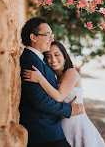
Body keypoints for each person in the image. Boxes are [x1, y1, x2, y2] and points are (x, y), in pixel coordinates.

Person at [23, 41, 105, 147]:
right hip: (63, 124)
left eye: (57, 54)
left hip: (76, 124)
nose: (53, 59)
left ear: (65, 56)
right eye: (48, 56)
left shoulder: (71, 72)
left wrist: (40, 79)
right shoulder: (54, 78)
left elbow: (59, 96)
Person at [19, 17, 85, 147]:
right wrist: (68, 110)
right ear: (33, 37)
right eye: (47, 35)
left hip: (52, 129)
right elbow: (40, 100)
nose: (51, 39)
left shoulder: (38, 60)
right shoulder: (30, 60)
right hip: (43, 131)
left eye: (51, 35)